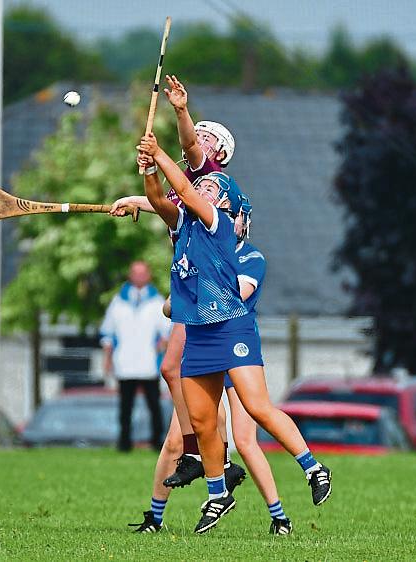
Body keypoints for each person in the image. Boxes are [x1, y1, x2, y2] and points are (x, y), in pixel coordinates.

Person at [137, 135, 331, 534]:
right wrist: (149, 170)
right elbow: (160, 201)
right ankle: (217, 494)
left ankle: (313, 468)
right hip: (200, 333)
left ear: (224, 202)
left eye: (212, 186)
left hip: (231, 326)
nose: (204, 185)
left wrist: (159, 153)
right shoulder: (184, 225)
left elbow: (187, 191)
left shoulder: (216, 221)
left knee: (257, 407)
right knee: (205, 424)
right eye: (204, 185)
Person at [111, 74, 246, 490]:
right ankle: (204, 456)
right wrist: (139, 195)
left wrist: (183, 112)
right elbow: (167, 203)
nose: (197, 141)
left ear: (218, 153)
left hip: (214, 293)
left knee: (224, 392)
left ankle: (213, 461)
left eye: (206, 138)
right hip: (194, 290)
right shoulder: (190, 185)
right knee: (173, 369)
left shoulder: (210, 177)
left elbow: (187, 161)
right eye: (198, 134)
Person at [130, 195, 293, 536]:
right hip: (205, 354)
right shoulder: (198, 244)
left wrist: (188, 295)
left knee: (247, 439)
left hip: (236, 353)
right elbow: (167, 204)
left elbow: (235, 296)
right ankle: (156, 518)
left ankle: (279, 518)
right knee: (177, 438)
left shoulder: (249, 256)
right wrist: (134, 199)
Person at [100, 261, 170, 452]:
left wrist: (163, 346)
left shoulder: (157, 301)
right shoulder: (118, 301)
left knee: (154, 406)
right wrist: (107, 360)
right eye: (135, 273)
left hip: (149, 363)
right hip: (125, 363)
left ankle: (157, 441)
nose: (139, 277)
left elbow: (167, 331)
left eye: (143, 273)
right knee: (125, 407)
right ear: (130, 275)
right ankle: (124, 442)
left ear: (148, 275)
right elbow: (108, 333)